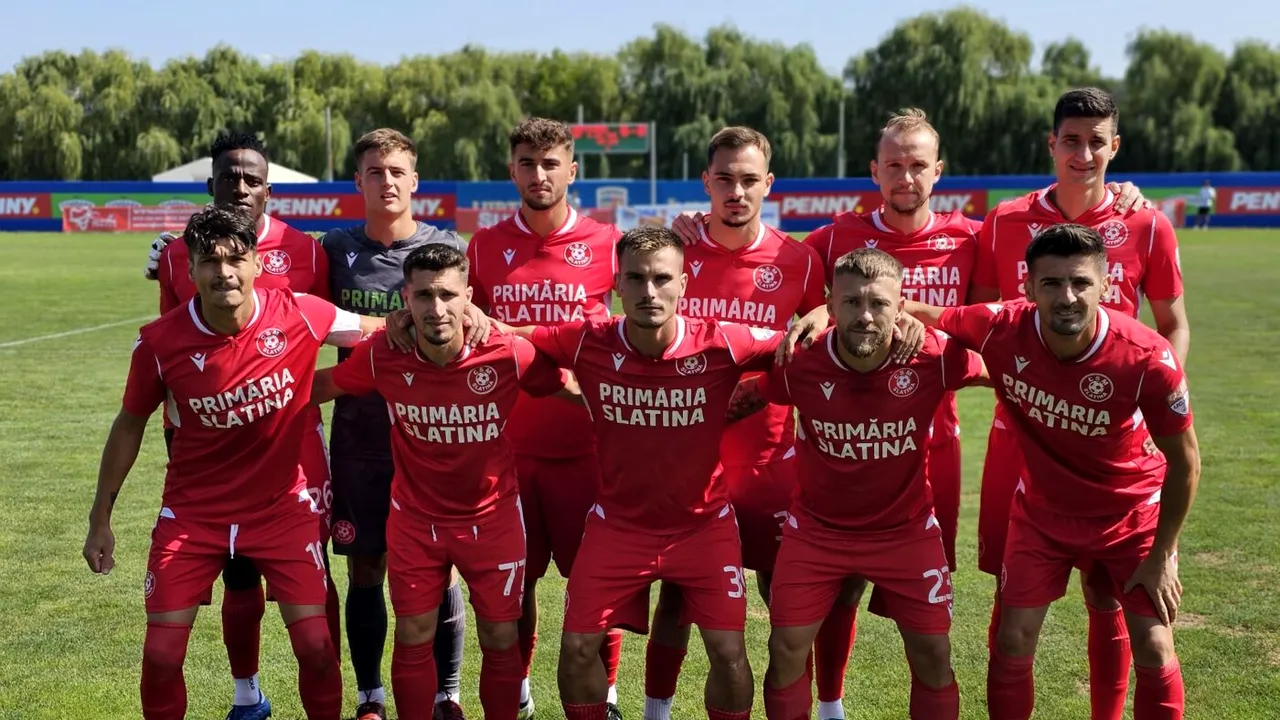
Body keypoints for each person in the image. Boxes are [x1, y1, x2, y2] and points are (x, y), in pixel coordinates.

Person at [770, 104, 1153, 719]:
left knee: (923, 613)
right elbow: (770, 264)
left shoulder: (972, 236)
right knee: (836, 586)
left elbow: (990, 327)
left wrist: (1118, 192)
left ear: (938, 170)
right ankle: (831, 704)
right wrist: (810, 310)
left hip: (932, 443)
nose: (905, 177)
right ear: (874, 170)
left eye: (917, 165)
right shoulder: (834, 238)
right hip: (843, 440)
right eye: (893, 165)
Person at [83, 206, 400, 720]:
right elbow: (129, 425)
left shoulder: (299, 312)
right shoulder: (159, 344)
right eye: (210, 260)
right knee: (161, 656)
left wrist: (449, 320)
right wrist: (101, 519)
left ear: (257, 263)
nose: (224, 271)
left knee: (318, 648)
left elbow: (378, 331)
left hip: (280, 511)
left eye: (236, 259)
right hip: (193, 516)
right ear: (190, 270)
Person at [906, 222, 1200, 719]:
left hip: (1129, 515)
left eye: (1081, 282)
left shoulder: (1148, 358)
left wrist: (1162, 551)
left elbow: (1186, 464)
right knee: (1013, 636)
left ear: (1107, 286)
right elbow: (918, 310)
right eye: (1051, 284)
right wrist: (835, 311)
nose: (1067, 297)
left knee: (1154, 646)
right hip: (1044, 514)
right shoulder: (1000, 326)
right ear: (1027, 287)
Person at [968, 87, 1190, 720]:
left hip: (1112, 439)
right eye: (1072, 140)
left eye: (1098, 142)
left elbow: (1173, 323)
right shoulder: (1007, 220)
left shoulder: (1145, 221)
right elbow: (984, 316)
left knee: (1110, 593)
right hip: (1023, 438)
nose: (1084, 154)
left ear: (1115, 147)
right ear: (1052, 145)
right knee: (1012, 602)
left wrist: (1163, 394)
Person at [499, 226, 783, 720]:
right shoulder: (588, 338)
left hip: (703, 528)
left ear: (685, 283)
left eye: (661, 279)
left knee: (729, 653)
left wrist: (818, 316)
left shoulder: (723, 341)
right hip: (617, 527)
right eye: (636, 279)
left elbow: (806, 345)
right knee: (578, 649)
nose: (649, 292)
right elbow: (517, 338)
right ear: (617, 286)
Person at [311, 243, 578, 720]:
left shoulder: (505, 350)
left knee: (499, 637)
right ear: (405, 301)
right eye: (424, 296)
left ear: (468, 297)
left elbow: (571, 388)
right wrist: (234, 398)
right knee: (413, 634)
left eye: (448, 295)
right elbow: (324, 385)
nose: (437, 309)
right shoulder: (383, 354)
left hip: (493, 520)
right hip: (415, 522)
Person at [736, 247, 989, 720]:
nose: (866, 317)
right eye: (852, 303)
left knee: (934, 656)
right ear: (830, 308)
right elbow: (748, 395)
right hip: (816, 532)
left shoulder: (933, 355)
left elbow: (1009, 369)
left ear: (901, 306)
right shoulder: (800, 358)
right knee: (786, 648)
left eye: (879, 304)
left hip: (906, 532)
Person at [641, 126, 828, 720]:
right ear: (706, 183)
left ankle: (798, 709)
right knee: (675, 595)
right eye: (725, 179)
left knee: (787, 600)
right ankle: (655, 710)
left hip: (770, 461)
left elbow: (821, 339)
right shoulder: (676, 253)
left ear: (768, 185)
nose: (736, 191)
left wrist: (768, 384)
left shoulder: (796, 260)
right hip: (686, 460)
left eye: (750, 180)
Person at [151, 130, 336, 720]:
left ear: (268, 189)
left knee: (311, 582)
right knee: (237, 577)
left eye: (251, 179)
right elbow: (175, 350)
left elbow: (328, 338)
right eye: (228, 177)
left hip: (295, 442)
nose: (239, 187)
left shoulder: (307, 251)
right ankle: (245, 692)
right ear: (210, 185)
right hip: (213, 448)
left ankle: (339, 695)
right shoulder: (180, 255)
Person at [321, 128, 486, 720]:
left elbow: (474, 323)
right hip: (360, 437)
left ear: (414, 180)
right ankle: (370, 697)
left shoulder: (446, 245)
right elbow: (296, 314)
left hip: (432, 437)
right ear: (358, 182)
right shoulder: (334, 249)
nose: (387, 182)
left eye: (397, 171)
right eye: (375, 172)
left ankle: (447, 693)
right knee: (366, 565)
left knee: (438, 566)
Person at [465, 116, 626, 720]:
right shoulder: (482, 247)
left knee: (596, 586)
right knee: (516, 587)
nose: (539, 174)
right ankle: (522, 692)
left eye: (551, 163)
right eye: (528, 163)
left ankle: (604, 696)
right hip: (507, 451)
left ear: (572, 171)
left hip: (588, 446)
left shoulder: (609, 244)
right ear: (512, 171)